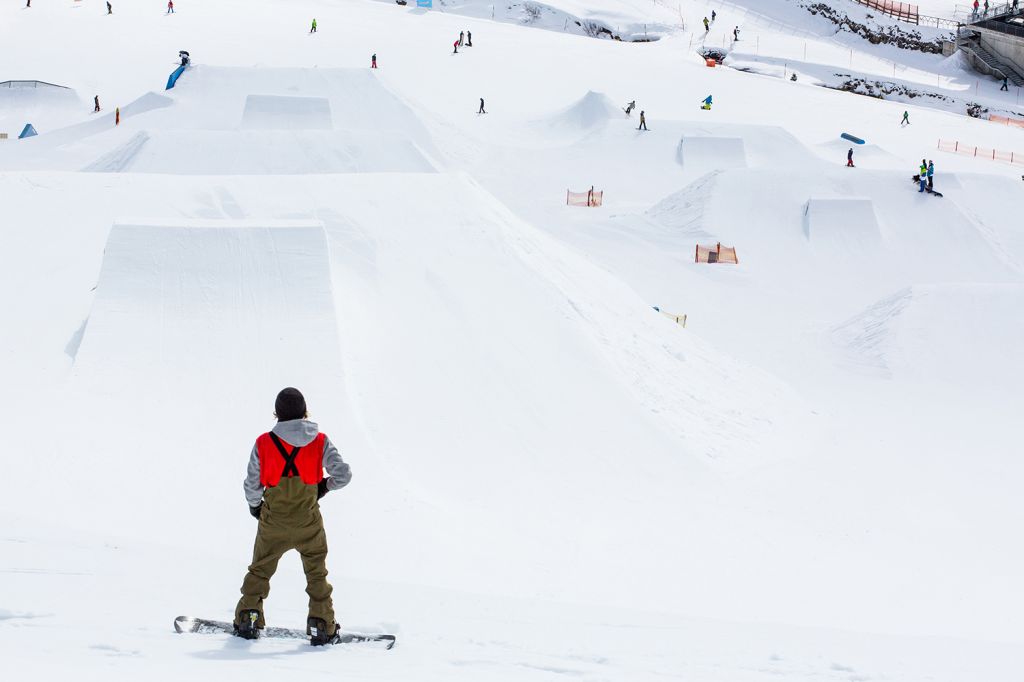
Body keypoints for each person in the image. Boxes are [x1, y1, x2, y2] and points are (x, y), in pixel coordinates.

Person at [234, 388, 352, 645]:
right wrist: (323, 487)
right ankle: (321, 625)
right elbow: (343, 475)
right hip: (308, 522)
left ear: (277, 414)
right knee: (316, 575)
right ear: (304, 411)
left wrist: (256, 507)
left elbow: (252, 484)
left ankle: (248, 618)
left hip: (273, 521)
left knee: (260, 571)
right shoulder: (320, 440)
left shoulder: (264, 443)